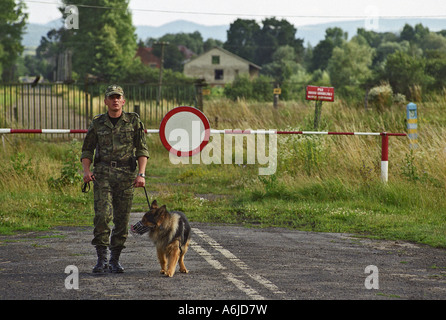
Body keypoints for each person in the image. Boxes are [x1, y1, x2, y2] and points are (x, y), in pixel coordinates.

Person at [80, 84, 149, 273]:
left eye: (118, 97)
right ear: (106, 101)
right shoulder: (98, 123)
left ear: (123, 101)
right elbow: (87, 149)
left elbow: (142, 149)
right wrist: (86, 171)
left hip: (126, 176)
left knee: (122, 219)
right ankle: (101, 259)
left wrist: (141, 174)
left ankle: (115, 259)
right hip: (102, 175)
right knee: (102, 216)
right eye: (112, 97)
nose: (115, 100)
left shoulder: (133, 121)